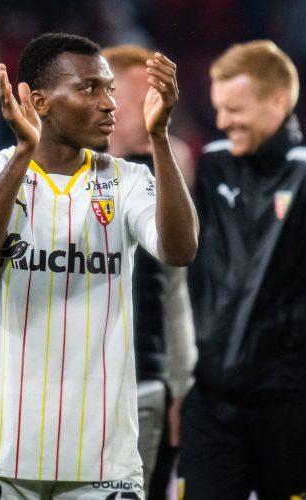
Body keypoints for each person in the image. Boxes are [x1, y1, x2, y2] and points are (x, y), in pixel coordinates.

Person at [0, 33, 197, 499]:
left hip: (103, 459)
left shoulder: (128, 180)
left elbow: (180, 250)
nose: (109, 104)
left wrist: (159, 138)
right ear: (39, 101)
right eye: (89, 88)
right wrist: (24, 154)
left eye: (110, 90)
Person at [181, 40, 306, 500]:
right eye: (218, 108)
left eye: (235, 109)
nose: (222, 121)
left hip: (289, 400)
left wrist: (279, 329)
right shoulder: (213, 165)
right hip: (211, 400)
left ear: (278, 102)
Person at [101, 43, 197, 498]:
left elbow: (174, 288)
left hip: (146, 373)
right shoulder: (65, 171)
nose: (154, 108)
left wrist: (181, 384)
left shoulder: (167, 168)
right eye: (142, 96)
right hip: (79, 377)